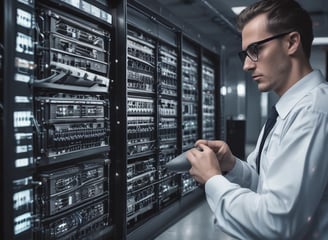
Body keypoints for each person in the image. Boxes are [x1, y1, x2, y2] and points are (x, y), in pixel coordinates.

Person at [186, 0, 328, 239]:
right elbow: (268, 185)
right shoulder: (289, 109)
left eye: (255, 50)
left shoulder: (312, 112)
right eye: (245, 53)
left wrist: (212, 180)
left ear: (292, 42)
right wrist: (233, 165)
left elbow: (276, 224)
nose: (246, 65)